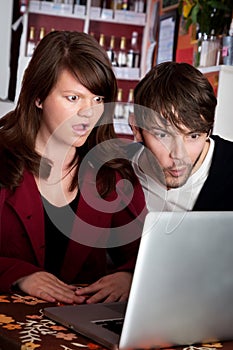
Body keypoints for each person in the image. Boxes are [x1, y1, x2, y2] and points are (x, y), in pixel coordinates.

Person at [0, 31, 146, 305]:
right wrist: (19, 274)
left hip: (81, 331)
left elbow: (147, 251)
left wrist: (129, 275)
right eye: (73, 98)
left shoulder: (112, 172)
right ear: (38, 97)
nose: (89, 113)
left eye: (98, 99)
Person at [130, 61, 233, 211]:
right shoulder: (118, 168)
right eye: (162, 135)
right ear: (136, 129)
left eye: (193, 136)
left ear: (208, 131)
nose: (179, 155)